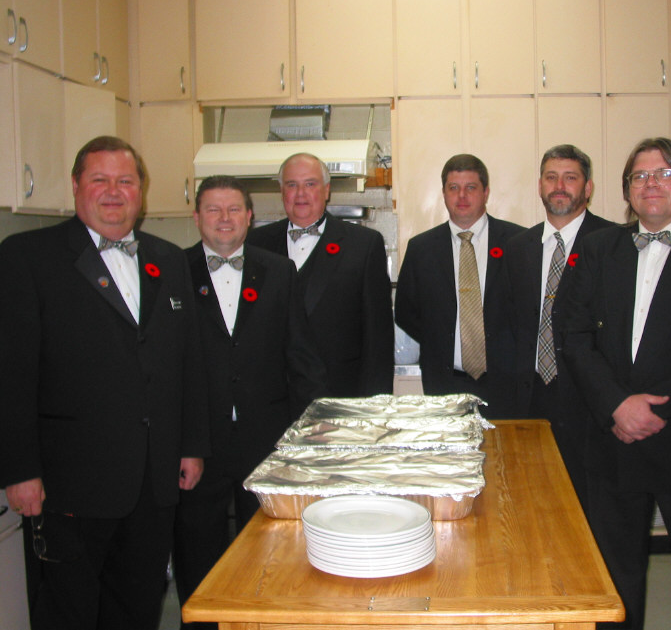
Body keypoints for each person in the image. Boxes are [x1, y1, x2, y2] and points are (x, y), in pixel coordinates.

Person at [0, 136, 209, 630]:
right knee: (67, 613)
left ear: (141, 190)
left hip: (152, 482)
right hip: (69, 484)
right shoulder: (27, 256)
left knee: (137, 609)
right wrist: (19, 470)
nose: (114, 192)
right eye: (100, 180)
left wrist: (192, 445)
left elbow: (187, 361)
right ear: (76, 185)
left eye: (125, 181)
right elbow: (11, 371)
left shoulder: (168, 259)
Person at [561, 138, 671, 630]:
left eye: (664, 174)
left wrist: (653, 408)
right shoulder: (598, 248)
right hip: (612, 440)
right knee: (613, 582)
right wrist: (616, 405)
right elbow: (572, 334)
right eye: (639, 176)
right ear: (626, 191)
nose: (651, 183)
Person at [173, 176, 326, 628]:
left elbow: (301, 357)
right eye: (213, 210)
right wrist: (179, 442)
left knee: (270, 555)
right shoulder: (173, 270)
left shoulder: (279, 271)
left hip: (267, 441)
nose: (224, 219)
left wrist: (306, 437)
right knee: (197, 556)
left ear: (250, 216)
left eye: (234, 209)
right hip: (198, 445)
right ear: (196, 217)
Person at [504, 144, 614, 505]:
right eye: (551, 177)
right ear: (540, 186)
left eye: (570, 178)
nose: (560, 186)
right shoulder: (517, 247)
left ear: (588, 187)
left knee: (588, 508)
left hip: (590, 404)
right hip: (530, 398)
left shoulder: (614, 244)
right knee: (532, 502)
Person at [247, 153, 394, 397]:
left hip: (339, 395)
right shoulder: (256, 244)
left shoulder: (363, 245)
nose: (300, 194)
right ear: (281, 191)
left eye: (310, 184)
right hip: (271, 398)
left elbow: (378, 337)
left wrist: (375, 404)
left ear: (326, 190)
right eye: (292, 185)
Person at [395, 154, 525, 415]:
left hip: (506, 383)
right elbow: (406, 312)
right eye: (453, 188)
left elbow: (527, 310)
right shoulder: (421, 249)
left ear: (486, 192)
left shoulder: (518, 243)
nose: (462, 196)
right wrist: (440, 340)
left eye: (471, 187)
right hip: (443, 383)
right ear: (444, 193)